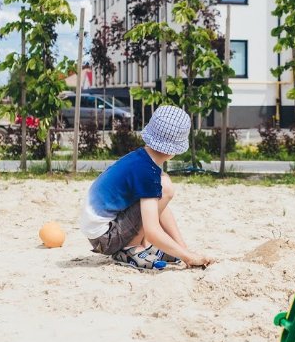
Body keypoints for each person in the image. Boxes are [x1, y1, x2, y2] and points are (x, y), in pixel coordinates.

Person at [79, 105, 211, 271]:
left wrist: (183, 249)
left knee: (161, 188)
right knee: (165, 186)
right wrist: (188, 257)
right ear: (175, 150)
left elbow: (159, 206)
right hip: (106, 238)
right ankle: (131, 249)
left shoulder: (141, 159)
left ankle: (143, 246)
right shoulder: (147, 173)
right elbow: (152, 231)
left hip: (100, 232)